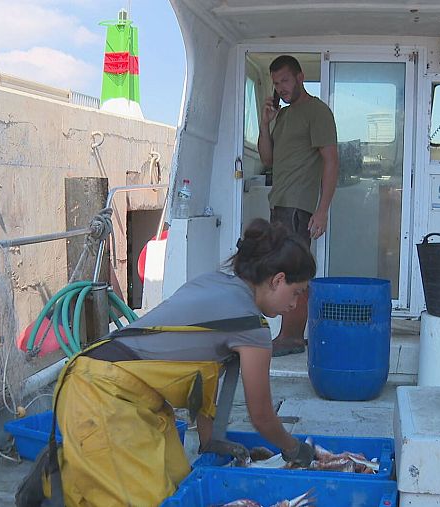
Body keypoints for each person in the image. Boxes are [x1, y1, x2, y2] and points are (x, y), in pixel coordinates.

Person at [53, 219, 318, 506]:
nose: (294, 304)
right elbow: (262, 416)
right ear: (277, 280)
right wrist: (294, 450)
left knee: (181, 486)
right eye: (296, 293)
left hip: (123, 389)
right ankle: (53, 487)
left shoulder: (215, 282)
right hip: (102, 395)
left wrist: (209, 439)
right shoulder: (252, 327)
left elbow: (204, 369)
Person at [258, 54, 339, 357]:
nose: (281, 88)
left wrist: (323, 209)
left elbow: (331, 161)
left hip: (298, 208)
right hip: (279, 205)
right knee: (283, 271)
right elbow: (268, 159)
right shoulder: (282, 116)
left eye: (286, 81)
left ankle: (290, 338)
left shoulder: (316, 111)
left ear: (300, 77)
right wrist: (265, 123)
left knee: (292, 274)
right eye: (276, 83)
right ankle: (287, 336)